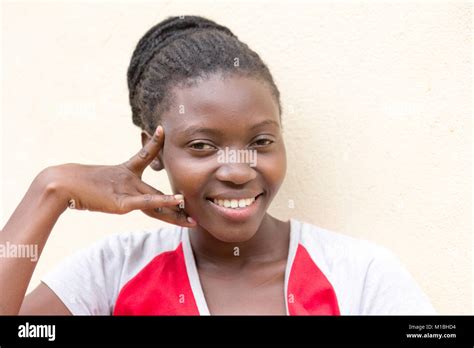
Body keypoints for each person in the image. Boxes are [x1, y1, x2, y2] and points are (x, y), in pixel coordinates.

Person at [0, 15, 436, 315]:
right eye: (203, 146)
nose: (238, 170)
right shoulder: (112, 272)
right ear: (153, 152)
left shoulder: (359, 274)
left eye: (261, 141)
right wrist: (51, 190)